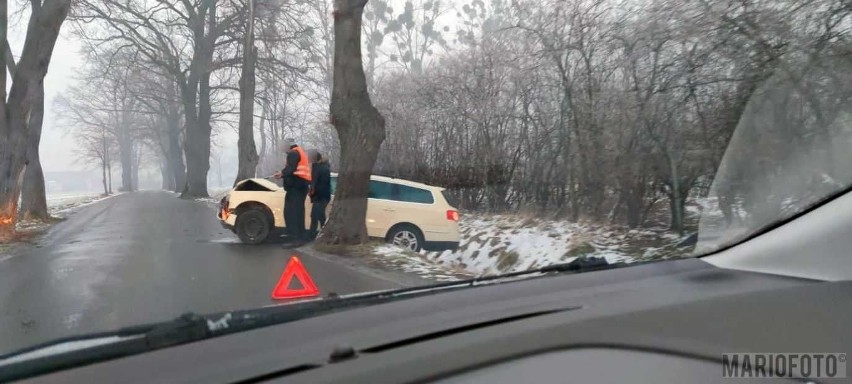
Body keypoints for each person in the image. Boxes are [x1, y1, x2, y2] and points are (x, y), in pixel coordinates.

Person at [273, 138, 311, 242]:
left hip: (296, 187)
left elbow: (291, 169)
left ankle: (296, 238)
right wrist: (282, 173)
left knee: (292, 213)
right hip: (300, 186)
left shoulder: (293, 153)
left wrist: (281, 173)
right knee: (297, 212)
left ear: (288, 145)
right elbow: (293, 169)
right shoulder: (299, 151)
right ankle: (298, 235)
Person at [309, 152, 332, 240]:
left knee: (318, 216)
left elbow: (318, 183)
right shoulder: (322, 167)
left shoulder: (321, 169)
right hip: (321, 196)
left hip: (320, 196)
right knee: (316, 215)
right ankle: (315, 234)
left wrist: (313, 192)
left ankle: (319, 234)